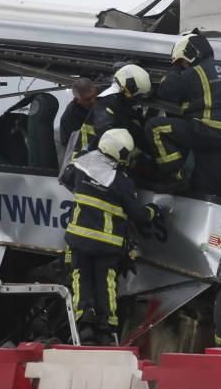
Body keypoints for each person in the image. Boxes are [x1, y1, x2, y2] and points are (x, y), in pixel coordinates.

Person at [60, 128, 162, 345]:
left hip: (78, 239)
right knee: (106, 284)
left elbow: (67, 179)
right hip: (107, 244)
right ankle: (106, 329)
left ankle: (85, 327)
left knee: (81, 280)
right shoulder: (121, 181)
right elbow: (138, 214)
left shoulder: (81, 165)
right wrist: (154, 210)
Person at [149, 30, 221, 196]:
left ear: (191, 54)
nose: (183, 65)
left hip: (205, 131)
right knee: (206, 186)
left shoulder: (193, 73)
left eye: (182, 62)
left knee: (154, 128)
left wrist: (174, 70)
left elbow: (165, 91)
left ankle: (174, 177)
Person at [73, 65, 151, 158]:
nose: (135, 99)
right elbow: (108, 136)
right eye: (136, 96)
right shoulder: (104, 105)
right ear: (126, 90)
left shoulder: (117, 101)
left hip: (99, 157)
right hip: (87, 160)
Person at [59, 78, 98, 148]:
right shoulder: (69, 118)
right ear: (76, 100)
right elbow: (71, 146)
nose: (93, 101)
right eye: (87, 99)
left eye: (94, 96)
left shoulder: (106, 96)